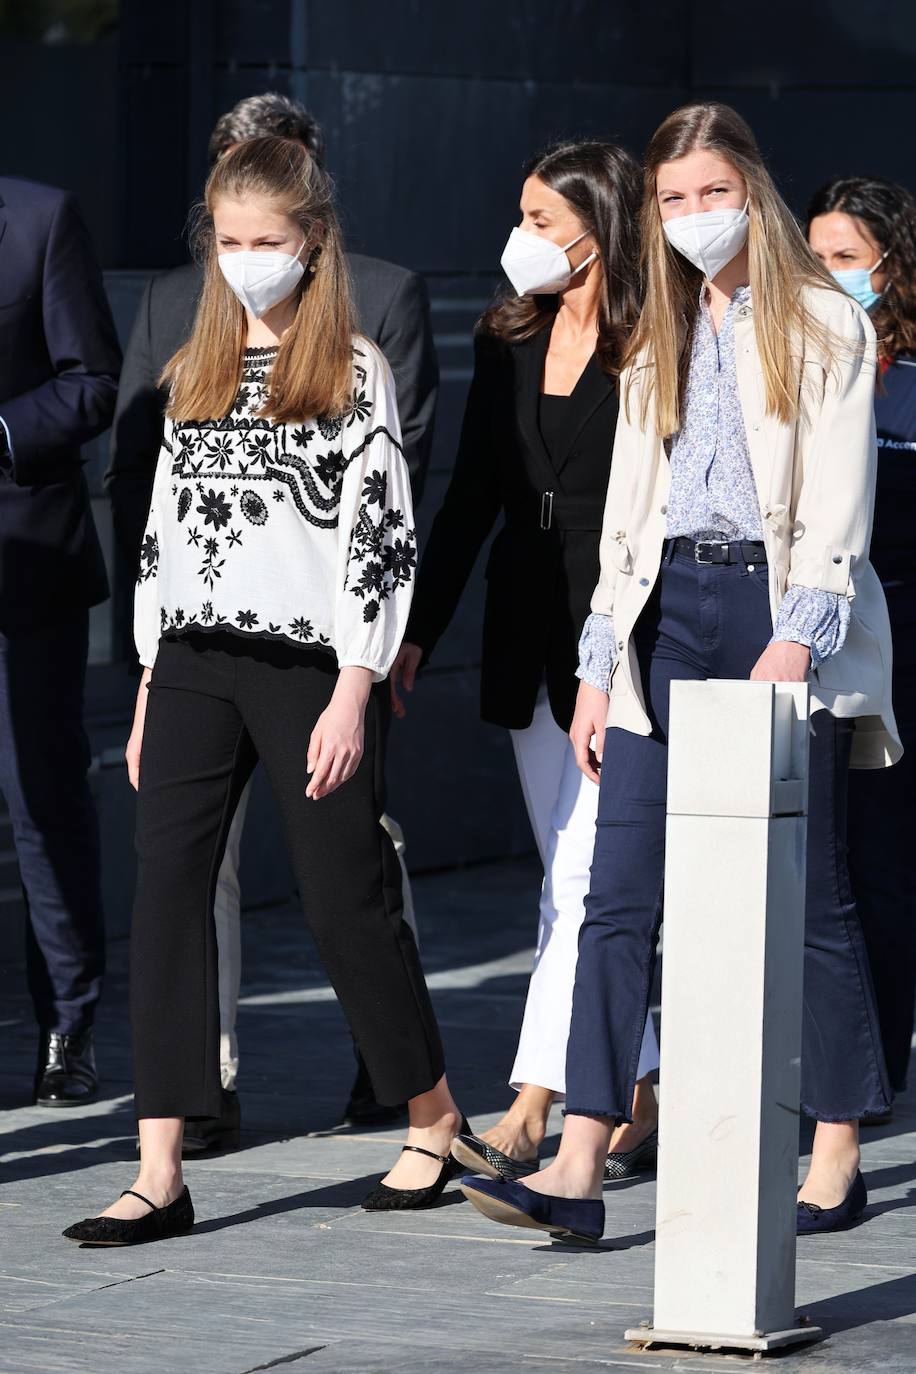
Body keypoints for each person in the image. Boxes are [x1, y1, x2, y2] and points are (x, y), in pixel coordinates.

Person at [460, 101, 899, 1245]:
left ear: (750, 185)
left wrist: (793, 637)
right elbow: (629, 509)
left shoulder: (820, 321)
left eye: (712, 191)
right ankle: (580, 1161)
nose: (694, 215)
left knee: (811, 894)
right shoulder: (662, 323)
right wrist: (602, 658)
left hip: (778, 605)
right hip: (668, 615)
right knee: (616, 895)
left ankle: (838, 1148)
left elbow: (840, 505)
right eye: (671, 199)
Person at [63, 137, 464, 1248]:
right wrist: (147, 679)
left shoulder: (355, 371)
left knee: (345, 898)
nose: (246, 262)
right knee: (165, 894)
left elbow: (380, 542)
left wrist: (354, 686)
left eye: (267, 243)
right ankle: (158, 1169)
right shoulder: (192, 366)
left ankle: (430, 1116)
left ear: (313, 243)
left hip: (309, 668)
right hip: (191, 660)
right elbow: (164, 538)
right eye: (228, 242)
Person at [392, 142, 660, 1186]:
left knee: (588, 878)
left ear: (599, 226)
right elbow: (468, 502)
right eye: (523, 216)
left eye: (543, 219)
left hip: (620, 636)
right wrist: (417, 629)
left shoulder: (656, 340)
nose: (524, 238)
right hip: (522, 627)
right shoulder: (506, 335)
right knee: (570, 874)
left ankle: (534, 1102)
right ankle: (634, 1081)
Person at [0, 176, 120, 1108]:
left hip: (24, 572)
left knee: (40, 801)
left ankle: (67, 1026)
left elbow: (92, 382)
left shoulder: (41, 217)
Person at [808, 176, 916, 1104]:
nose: (828, 275)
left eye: (846, 260)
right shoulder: (798, 364)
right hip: (817, 630)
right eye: (816, 259)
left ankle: (878, 1064)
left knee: (881, 863)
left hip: (902, 638)